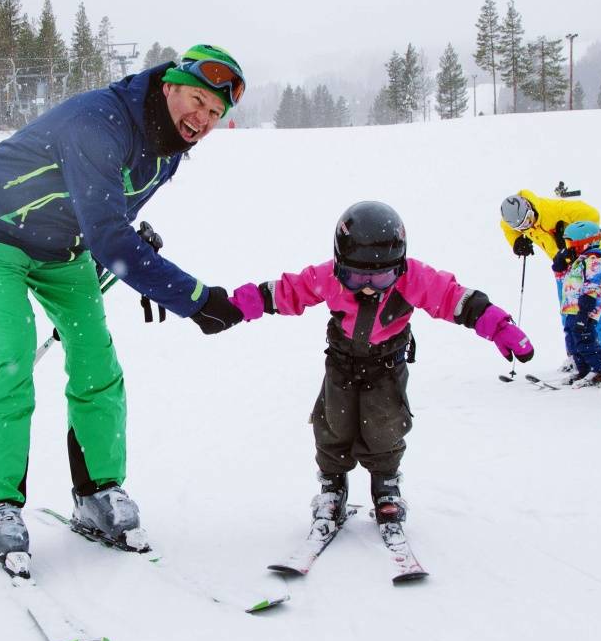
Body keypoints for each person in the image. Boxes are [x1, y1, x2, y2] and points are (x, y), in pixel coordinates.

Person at [0, 43, 248, 573]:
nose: (202, 119)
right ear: (170, 84)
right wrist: (194, 299)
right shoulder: (99, 121)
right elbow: (110, 236)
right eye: (198, 100)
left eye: (215, 113)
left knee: (97, 362)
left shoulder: (170, 146)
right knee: (13, 358)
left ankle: (97, 493)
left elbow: (109, 217)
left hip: (63, 248)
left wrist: (121, 244)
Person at [225, 201, 534, 528]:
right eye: (355, 277)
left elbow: (454, 298)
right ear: (339, 263)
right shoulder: (328, 277)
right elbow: (289, 291)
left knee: (386, 426)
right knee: (332, 424)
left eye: (382, 276)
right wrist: (241, 305)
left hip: (386, 365)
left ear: (399, 267)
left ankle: (386, 485)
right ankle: (332, 486)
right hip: (342, 362)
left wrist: (497, 325)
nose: (369, 285)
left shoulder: (415, 278)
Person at [500, 190, 601, 371]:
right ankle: (578, 356)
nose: (528, 226)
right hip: (565, 268)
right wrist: (516, 241)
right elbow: (506, 226)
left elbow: (593, 214)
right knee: (569, 313)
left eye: (529, 220)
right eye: (522, 227)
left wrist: (573, 237)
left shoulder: (556, 209)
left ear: (529, 207)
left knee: (593, 311)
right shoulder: (517, 221)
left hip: (590, 263)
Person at [552, 221, 601, 387]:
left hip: (585, 308)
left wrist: (584, 311)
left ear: (586, 242)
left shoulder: (595, 259)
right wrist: (560, 262)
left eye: (573, 243)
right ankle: (583, 370)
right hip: (572, 308)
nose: (570, 246)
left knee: (584, 338)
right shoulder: (580, 259)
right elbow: (564, 277)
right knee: (573, 339)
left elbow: (592, 286)